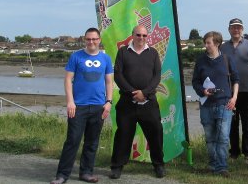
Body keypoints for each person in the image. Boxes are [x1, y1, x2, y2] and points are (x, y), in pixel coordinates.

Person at [50, 27, 113, 184]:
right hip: (78, 106)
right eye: (88, 39)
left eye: (94, 39)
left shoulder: (106, 59)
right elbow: (67, 80)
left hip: (99, 106)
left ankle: (86, 172)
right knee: (72, 140)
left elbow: (109, 82)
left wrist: (108, 102)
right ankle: (62, 175)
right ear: (84, 40)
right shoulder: (76, 57)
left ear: (99, 40)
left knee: (92, 142)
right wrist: (70, 101)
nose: (91, 42)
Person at [109, 25, 165, 179]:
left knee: (156, 134)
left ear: (147, 37)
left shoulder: (153, 53)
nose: (141, 38)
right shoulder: (122, 52)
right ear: (132, 35)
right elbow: (118, 75)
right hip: (127, 103)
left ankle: (158, 165)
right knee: (123, 135)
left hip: (149, 103)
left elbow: (157, 76)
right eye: (138, 35)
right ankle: (117, 166)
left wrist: (144, 93)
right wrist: (133, 93)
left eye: (144, 36)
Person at [192, 31, 239, 177]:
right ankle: (213, 165)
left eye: (208, 43)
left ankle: (222, 167)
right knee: (210, 138)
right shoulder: (200, 61)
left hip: (224, 103)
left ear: (217, 43)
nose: (206, 45)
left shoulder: (227, 59)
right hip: (206, 105)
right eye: (205, 42)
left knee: (223, 137)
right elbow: (195, 81)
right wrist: (202, 90)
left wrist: (234, 98)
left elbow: (236, 79)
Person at [219, 18, 248, 162]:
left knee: (247, 124)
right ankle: (234, 152)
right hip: (229, 91)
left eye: (239, 27)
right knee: (232, 124)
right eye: (233, 27)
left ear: (242, 29)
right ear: (229, 29)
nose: (236, 30)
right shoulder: (223, 47)